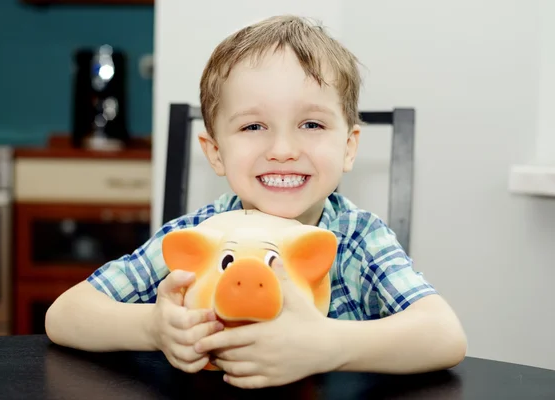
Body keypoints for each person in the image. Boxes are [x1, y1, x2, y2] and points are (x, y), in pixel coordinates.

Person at [45, 14, 467, 389]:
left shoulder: (359, 239)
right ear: (214, 152)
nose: (283, 148)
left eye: (312, 123)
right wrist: (153, 328)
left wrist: (326, 344)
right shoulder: (199, 237)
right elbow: (65, 315)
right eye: (253, 126)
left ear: (349, 147)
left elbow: (444, 335)